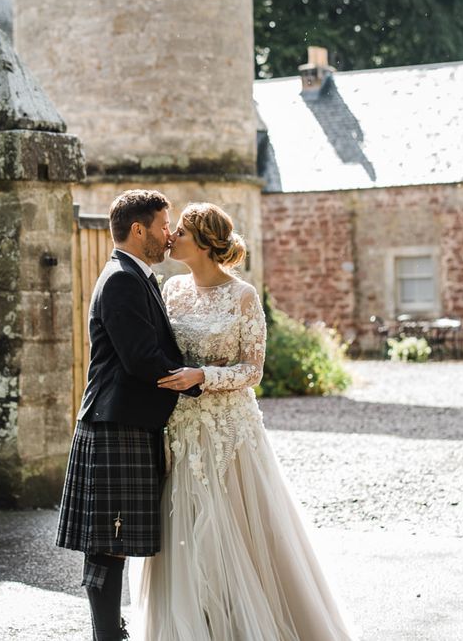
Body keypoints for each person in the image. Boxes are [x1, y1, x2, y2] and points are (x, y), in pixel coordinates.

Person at [133, 202, 355, 640]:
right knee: (184, 525)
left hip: (229, 428)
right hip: (180, 426)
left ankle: (244, 623)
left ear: (203, 242)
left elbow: (253, 371)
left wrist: (205, 376)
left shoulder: (243, 296)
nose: (171, 236)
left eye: (181, 230)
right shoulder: (171, 289)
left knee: (237, 527)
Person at [56, 190, 203, 641]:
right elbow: (142, 358)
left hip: (123, 421)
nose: (169, 235)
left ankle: (108, 631)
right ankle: (106, 635)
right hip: (115, 425)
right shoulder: (121, 279)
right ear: (139, 230)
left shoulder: (135, 275)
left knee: (110, 540)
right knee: (107, 542)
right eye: (163, 226)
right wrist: (198, 381)